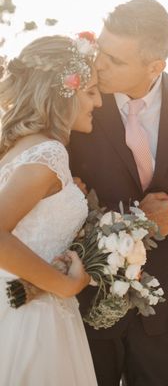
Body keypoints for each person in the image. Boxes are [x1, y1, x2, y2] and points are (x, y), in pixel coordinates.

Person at [69, 0, 168, 386]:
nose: (100, 65)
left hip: (163, 305)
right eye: (101, 51)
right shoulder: (78, 101)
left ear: (155, 66)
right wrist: (139, 217)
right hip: (85, 301)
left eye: (115, 61)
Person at [0, 34, 102, 384]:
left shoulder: (18, 147)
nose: (99, 102)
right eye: (90, 91)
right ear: (64, 91)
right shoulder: (49, 153)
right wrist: (64, 285)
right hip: (35, 319)